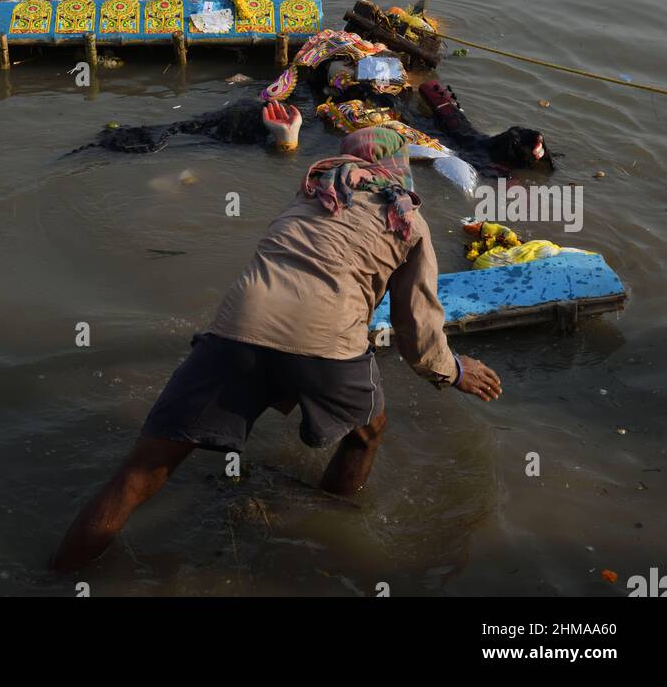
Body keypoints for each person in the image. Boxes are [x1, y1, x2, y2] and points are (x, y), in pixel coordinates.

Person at [50, 126, 502, 571]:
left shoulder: (310, 191)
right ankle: (328, 530)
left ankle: (57, 576)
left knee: (141, 470)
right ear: (398, 170)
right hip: (327, 343)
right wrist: (453, 371)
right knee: (367, 431)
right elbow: (415, 328)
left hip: (237, 327)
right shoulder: (408, 220)